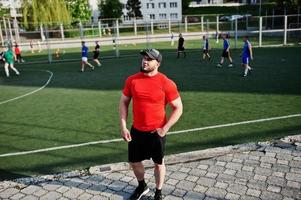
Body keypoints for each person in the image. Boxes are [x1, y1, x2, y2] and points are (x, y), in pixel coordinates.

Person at [119, 49, 183, 200]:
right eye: (144, 58)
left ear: (158, 64)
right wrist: (123, 125)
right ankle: (142, 186)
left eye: (149, 59)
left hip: (157, 132)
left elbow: (178, 107)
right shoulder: (132, 80)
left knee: (158, 163)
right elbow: (123, 102)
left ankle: (158, 192)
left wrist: (165, 129)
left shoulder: (166, 83)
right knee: (134, 162)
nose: (145, 61)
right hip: (137, 130)